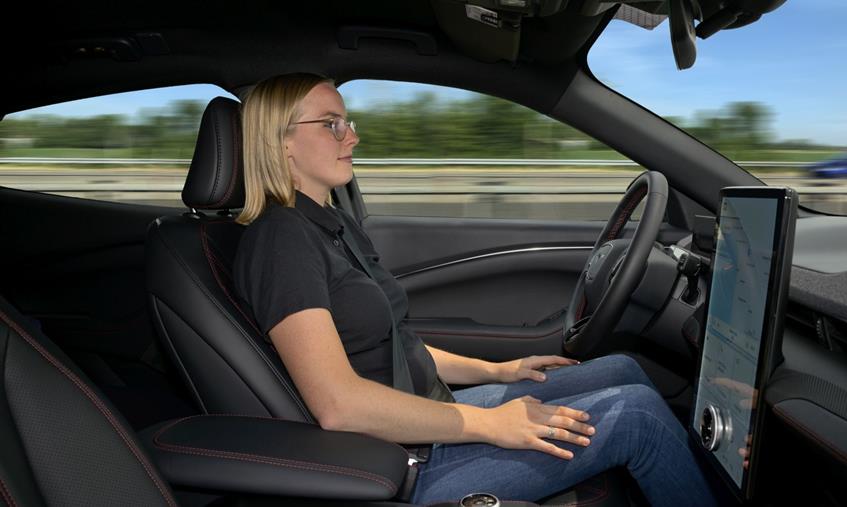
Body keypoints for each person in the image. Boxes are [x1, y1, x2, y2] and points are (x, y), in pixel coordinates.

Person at [232, 72, 718, 506]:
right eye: (332, 124)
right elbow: (339, 405)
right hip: (401, 463)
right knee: (636, 417)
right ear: (281, 142)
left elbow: (394, 344)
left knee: (623, 368)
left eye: (348, 122)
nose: (353, 136)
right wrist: (492, 424)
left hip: (429, 414)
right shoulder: (281, 240)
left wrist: (499, 371)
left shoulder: (332, 226)